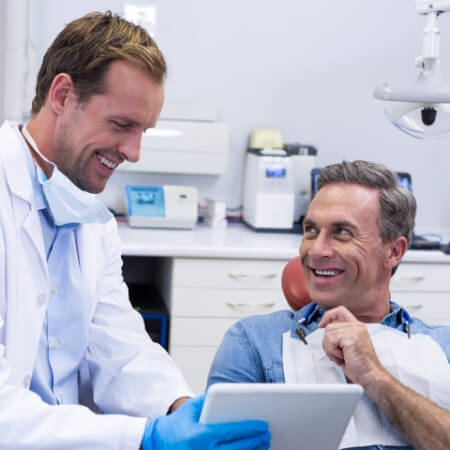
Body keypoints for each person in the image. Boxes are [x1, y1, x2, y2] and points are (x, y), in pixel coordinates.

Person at [0, 11, 270, 450]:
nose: (134, 152)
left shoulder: (92, 219)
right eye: (122, 125)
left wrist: (183, 410)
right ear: (63, 95)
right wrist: (145, 437)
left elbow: (120, 349)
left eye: (143, 131)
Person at [207, 160, 450, 450]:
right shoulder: (255, 343)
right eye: (311, 230)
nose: (317, 250)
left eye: (342, 232)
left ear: (394, 251)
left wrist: (376, 377)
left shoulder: (441, 347)